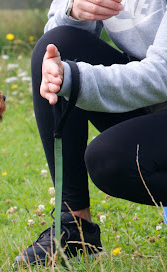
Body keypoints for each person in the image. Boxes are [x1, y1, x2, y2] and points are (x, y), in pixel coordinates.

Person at [14, 0, 167, 265]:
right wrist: (74, 11)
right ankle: (75, 227)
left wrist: (74, 78)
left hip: (159, 82)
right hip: (155, 104)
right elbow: (54, 38)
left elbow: (163, 75)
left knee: (110, 159)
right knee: (56, 46)